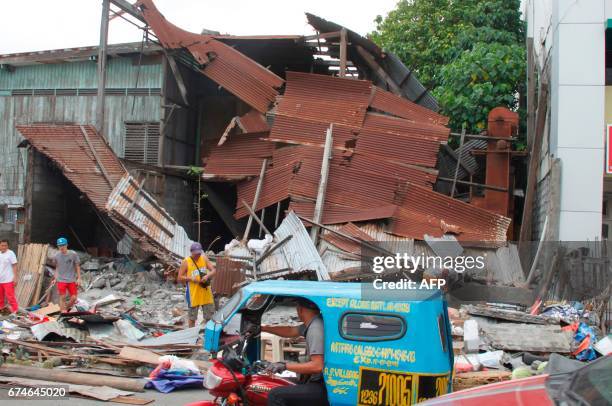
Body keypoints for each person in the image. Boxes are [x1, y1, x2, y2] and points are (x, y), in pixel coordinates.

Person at [263, 298, 328, 406]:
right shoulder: (313, 322)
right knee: (281, 381)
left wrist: (284, 366)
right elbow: (291, 330)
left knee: (275, 395)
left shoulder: (315, 329)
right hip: (317, 382)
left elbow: (317, 366)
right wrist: (263, 328)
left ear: (300, 309)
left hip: (321, 386)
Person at [177, 242, 216, 328]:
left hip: (206, 292)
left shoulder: (204, 258)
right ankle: (192, 335)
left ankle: (208, 334)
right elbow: (179, 277)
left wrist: (207, 276)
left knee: (209, 316)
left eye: (199, 253)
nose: (198, 255)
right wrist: (191, 279)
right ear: (191, 252)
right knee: (192, 317)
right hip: (193, 293)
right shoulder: (186, 262)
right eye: (196, 254)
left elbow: (213, 270)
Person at [52, 237, 81, 313]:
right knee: (62, 297)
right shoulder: (56, 256)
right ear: (58, 246)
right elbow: (57, 267)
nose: (61, 247)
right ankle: (63, 312)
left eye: (63, 245)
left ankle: (66, 308)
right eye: (60, 245)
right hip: (61, 279)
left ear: (67, 245)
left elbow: (77, 266)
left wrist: (79, 278)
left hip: (71, 279)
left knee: (74, 298)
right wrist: (55, 278)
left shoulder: (73, 254)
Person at [0, 239, 19, 314]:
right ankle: (1, 311)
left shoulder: (10, 253)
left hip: (8, 280)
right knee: (0, 298)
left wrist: (15, 277)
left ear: (8, 246)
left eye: (5, 245)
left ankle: (15, 312)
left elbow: (14, 265)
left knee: (10, 297)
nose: (4, 247)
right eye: (2, 245)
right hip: (0, 280)